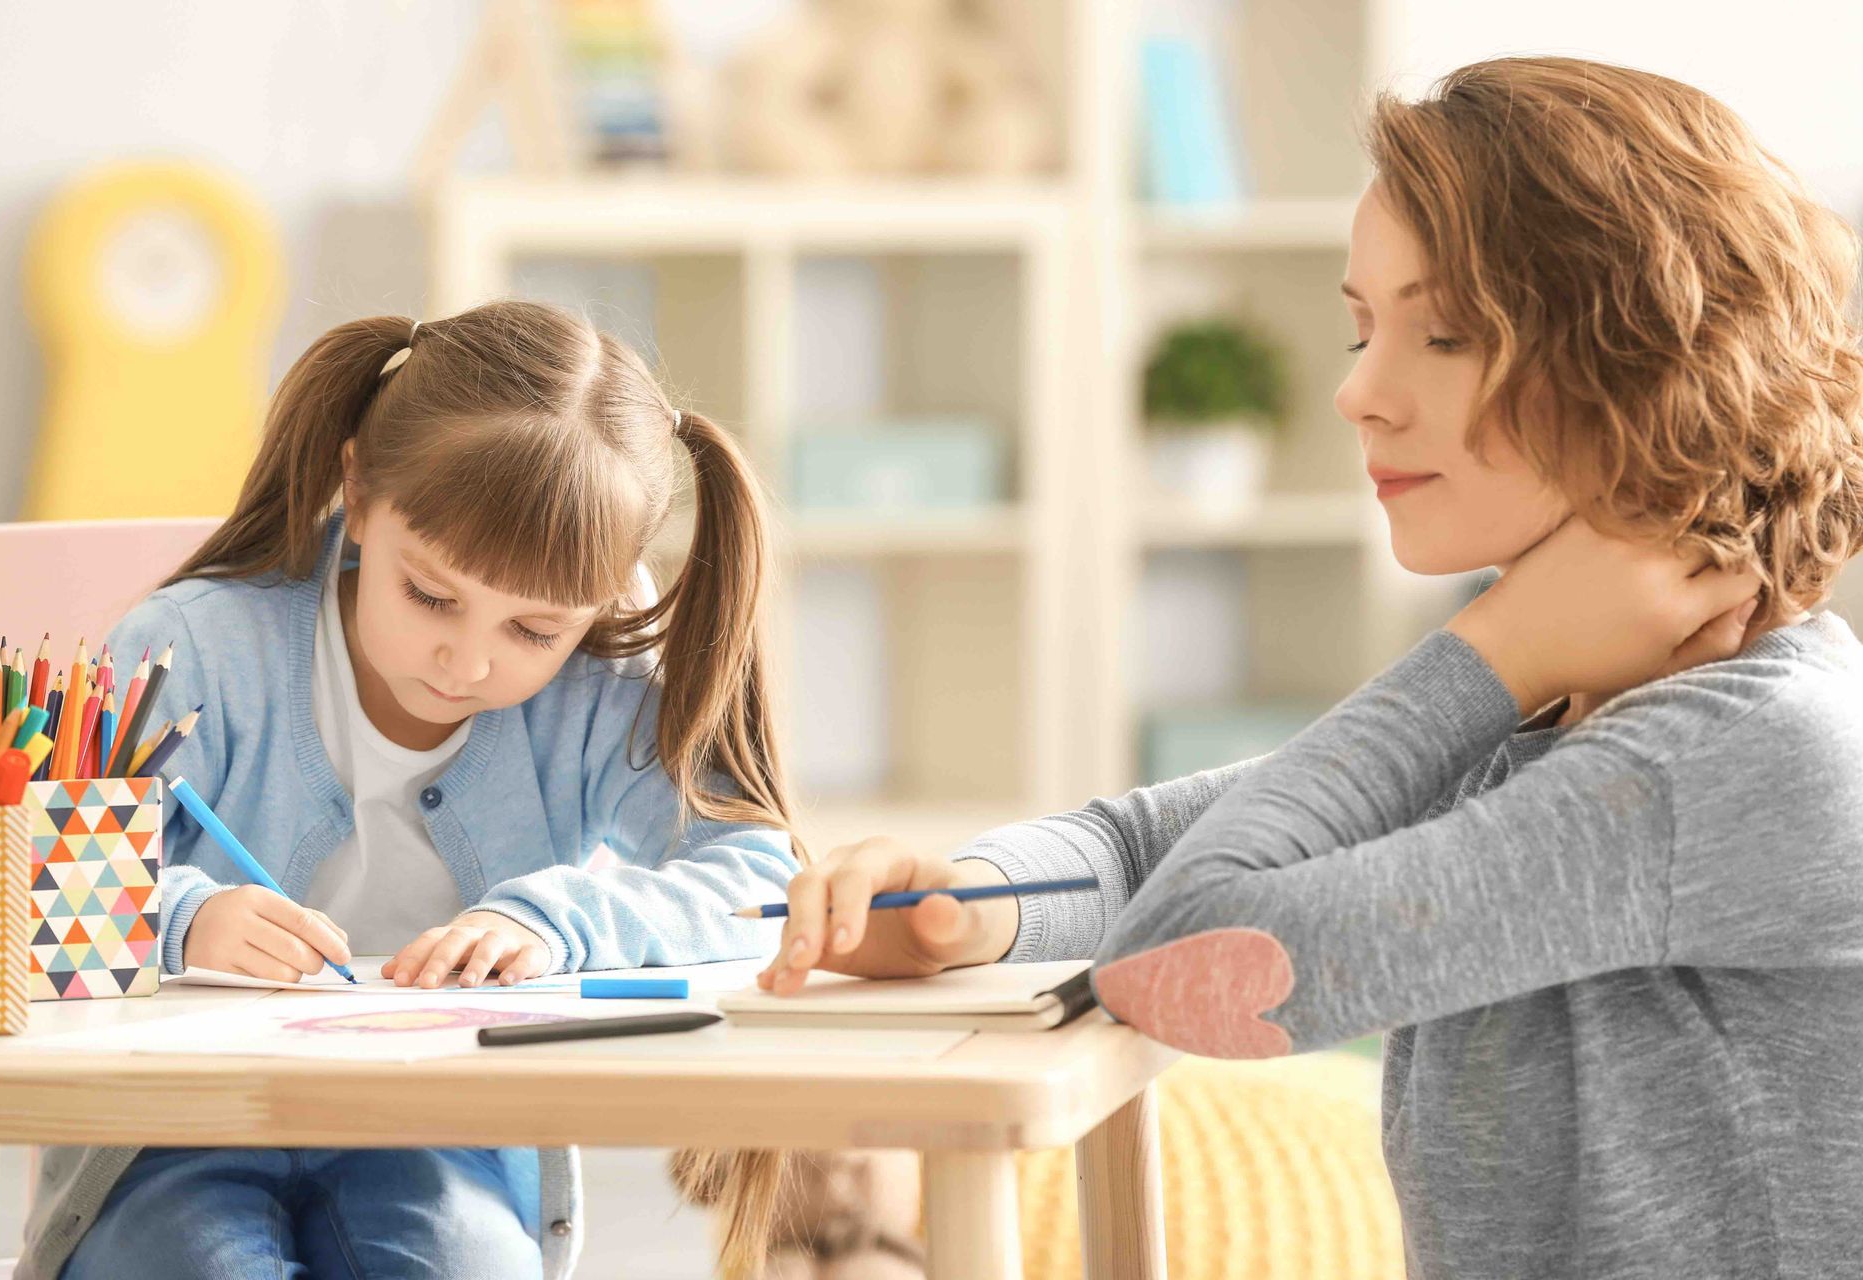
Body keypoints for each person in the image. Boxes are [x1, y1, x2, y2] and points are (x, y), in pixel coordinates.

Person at [761, 57, 1863, 1276]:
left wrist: (1491, 647)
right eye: (1360, 326)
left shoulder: (1737, 752)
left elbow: (1185, 959)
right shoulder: (1572, 705)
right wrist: (969, 906)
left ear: (1645, 356)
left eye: (1441, 333)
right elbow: (1147, 851)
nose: (1357, 392)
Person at [22, 300, 799, 1280]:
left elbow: (762, 879)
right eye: (431, 595)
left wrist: (556, 919)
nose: (469, 660)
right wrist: (185, 917)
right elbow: (32, 877)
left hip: (445, 1125)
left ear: (602, 598)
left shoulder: (596, 695)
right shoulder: (197, 649)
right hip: (170, 1125)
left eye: (534, 630)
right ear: (355, 485)